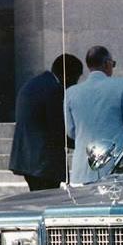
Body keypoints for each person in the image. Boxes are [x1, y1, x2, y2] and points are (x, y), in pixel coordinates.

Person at [65, 46, 123, 184]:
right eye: (113, 64)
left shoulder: (71, 92)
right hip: (115, 160)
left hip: (84, 165)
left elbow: (71, 131)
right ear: (107, 63)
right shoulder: (121, 85)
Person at [9, 54, 83, 191]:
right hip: (44, 163)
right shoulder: (54, 90)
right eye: (76, 78)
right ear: (67, 76)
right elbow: (58, 128)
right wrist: (81, 143)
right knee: (47, 202)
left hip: (28, 159)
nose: (75, 84)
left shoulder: (36, 83)